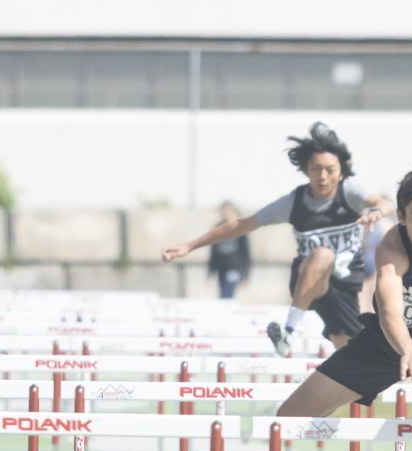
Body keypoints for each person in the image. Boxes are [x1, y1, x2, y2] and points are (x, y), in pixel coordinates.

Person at [275, 162, 412, 443]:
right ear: (401, 217)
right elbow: (390, 313)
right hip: (387, 337)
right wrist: (408, 350)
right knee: (287, 418)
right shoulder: (393, 248)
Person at [160, 122, 393, 356]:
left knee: (352, 358)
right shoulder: (293, 202)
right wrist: (189, 245)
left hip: (344, 286)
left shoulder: (349, 192)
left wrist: (377, 211)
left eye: (330, 170)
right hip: (308, 278)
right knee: (323, 254)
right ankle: (288, 332)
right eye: (315, 169)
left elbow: (383, 202)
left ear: (340, 172)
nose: (322, 177)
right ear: (306, 170)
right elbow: (241, 225)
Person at [205, 200, 251, 299]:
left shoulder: (240, 228)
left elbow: (246, 254)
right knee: (222, 296)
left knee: (227, 295)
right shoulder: (218, 228)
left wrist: (245, 276)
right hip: (221, 268)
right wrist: (210, 273)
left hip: (234, 268)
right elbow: (213, 253)